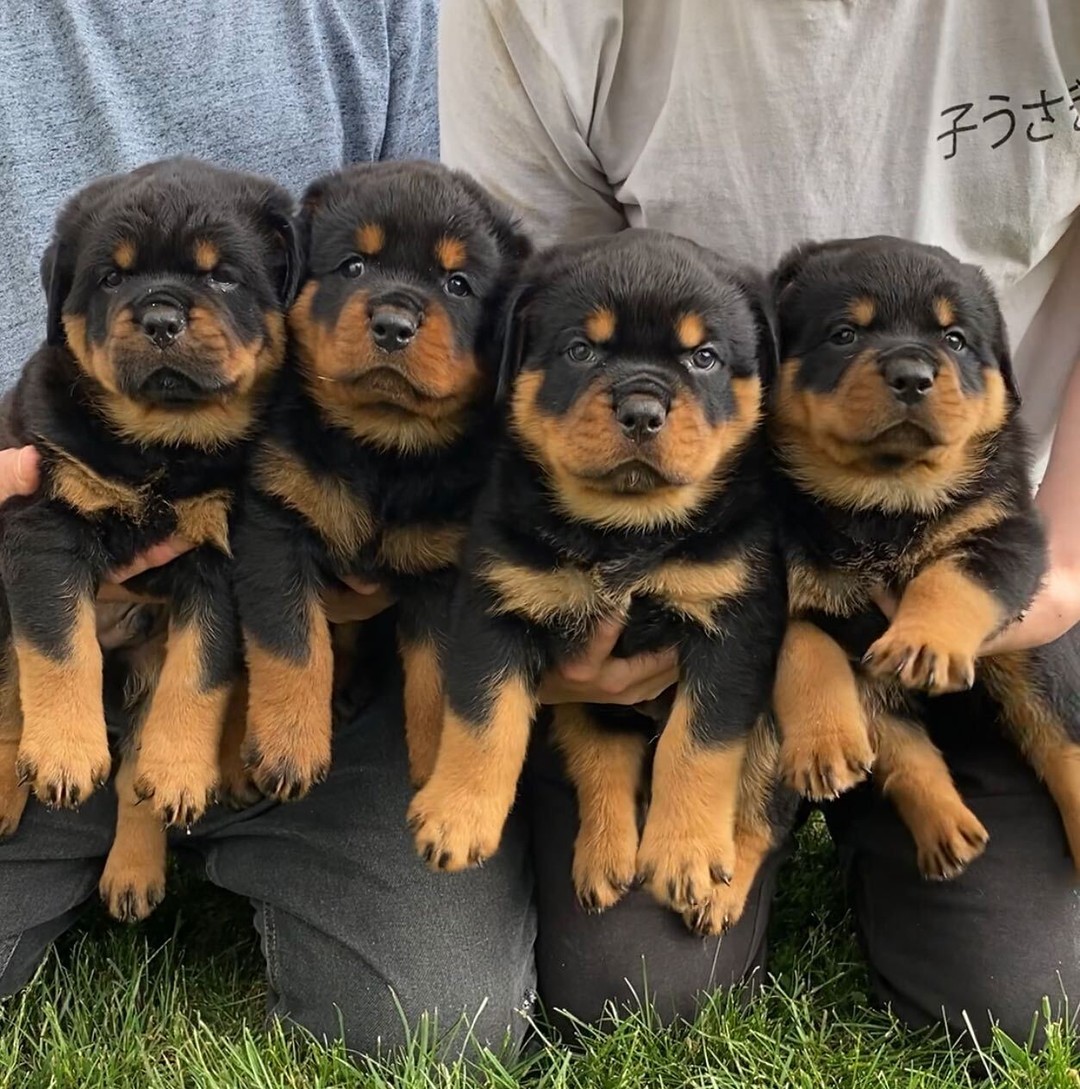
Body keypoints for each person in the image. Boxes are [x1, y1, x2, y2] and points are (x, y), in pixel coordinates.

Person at [436, 0, 1080, 1047]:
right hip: (690, 525)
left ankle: (909, 794)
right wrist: (538, 636)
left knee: (1023, 1007)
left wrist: (1061, 570)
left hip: (1003, 528)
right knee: (628, 995)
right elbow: (547, 329)